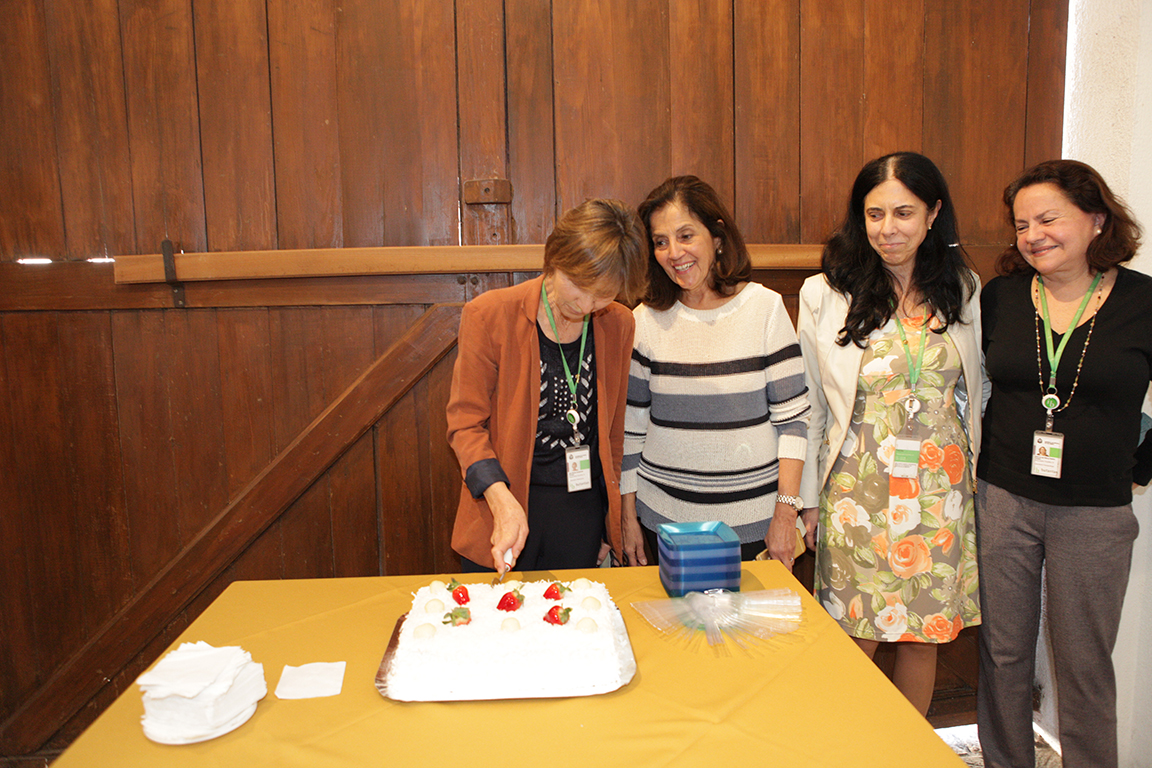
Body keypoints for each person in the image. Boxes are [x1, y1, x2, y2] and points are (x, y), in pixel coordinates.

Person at [977, 159, 1150, 768]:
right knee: (1003, 654)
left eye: (1048, 218)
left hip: (1095, 513)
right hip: (1002, 497)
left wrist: (1140, 464)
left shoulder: (1142, 301)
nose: (1033, 235)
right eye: (1022, 224)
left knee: (1082, 664)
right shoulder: (998, 297)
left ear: (1096, 219)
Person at [797, 152, 983, 716]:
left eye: (903, 212)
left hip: (940, 494)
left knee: (922, 633)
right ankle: (846, 747)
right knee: (857, 632)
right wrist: (804, 502)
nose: (887, 229)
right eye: (874, 214)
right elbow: (809, 409)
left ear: (933, 214)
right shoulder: (825, 293)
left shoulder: (964, 289)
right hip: (858, 493)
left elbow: (979, 393)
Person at [446, 198, 648, 574]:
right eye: (580, 285)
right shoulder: (490, 315)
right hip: (502, 504)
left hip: (580, 514)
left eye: (604, 293)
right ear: (556, 259)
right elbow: (464, 425)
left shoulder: (618, 323)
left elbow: (612, 434)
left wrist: (609, 518)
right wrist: (499, 498)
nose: (586, 304)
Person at [620, 176, 809, 569]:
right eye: (661, 241)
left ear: (717, 237)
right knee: (672, 631)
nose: (674, 252)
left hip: (753, 525)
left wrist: (785, 514)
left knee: (747, 631)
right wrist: (627, 516)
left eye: (686, 235)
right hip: (663, 523)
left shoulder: (765, 310)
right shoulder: (644, 321)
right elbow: (631, 430)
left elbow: (793, 424)